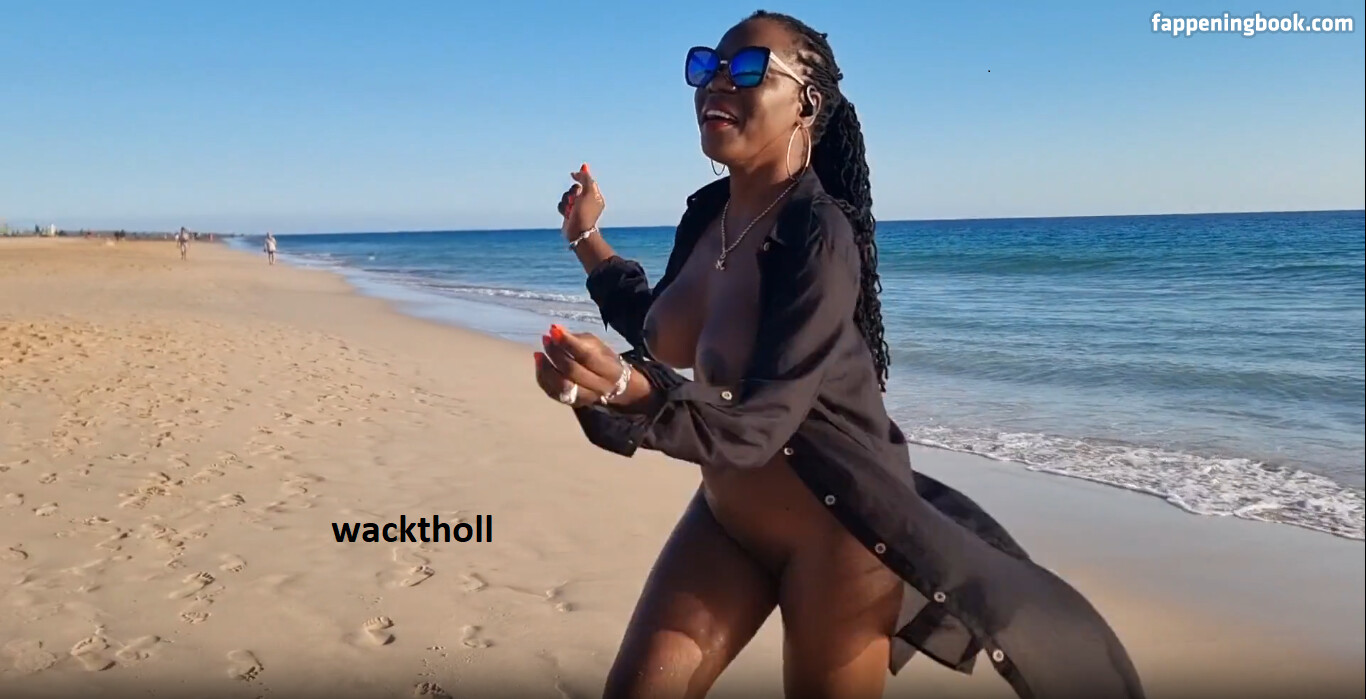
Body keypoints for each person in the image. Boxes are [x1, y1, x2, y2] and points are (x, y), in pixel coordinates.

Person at [533, 11, 1144, 699]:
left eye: (747, 70)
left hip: (840, 539)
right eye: (706, 66)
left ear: (807, 102)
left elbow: (763, 422)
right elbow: (660, 329)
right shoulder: (709, 216)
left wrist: (628, 392)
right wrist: (586, 238)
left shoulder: (820, 236)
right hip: (727, 516)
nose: (716, 84)